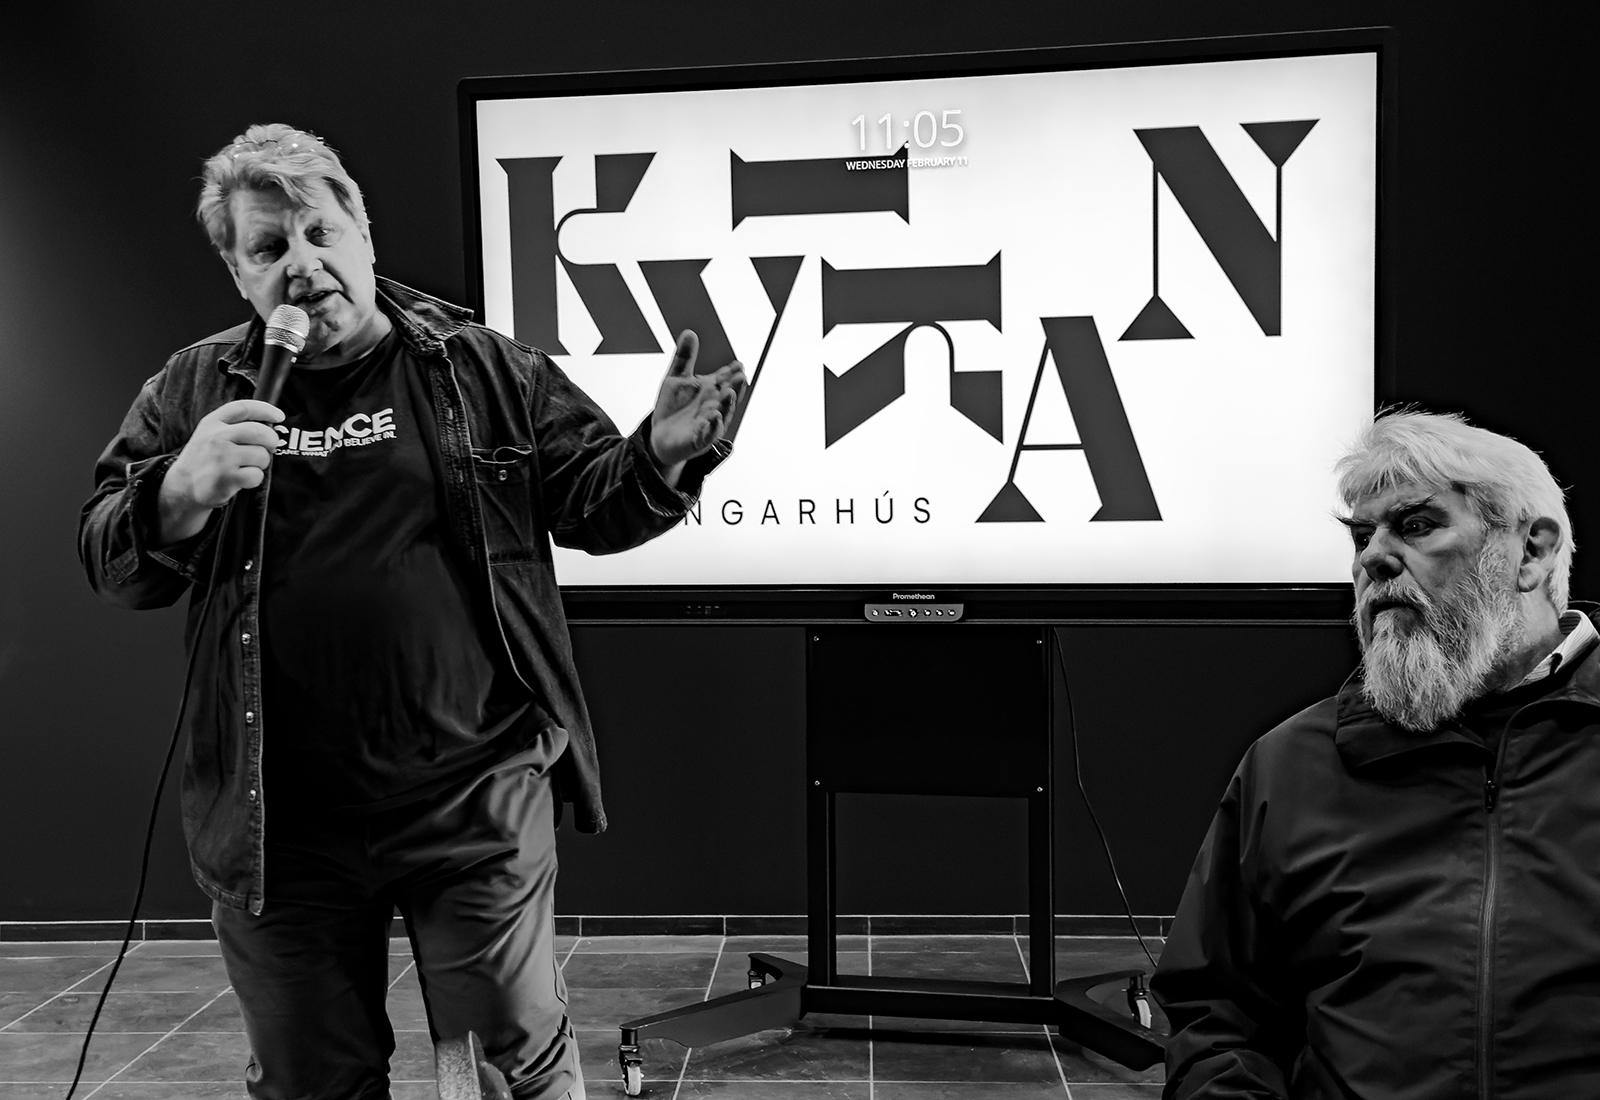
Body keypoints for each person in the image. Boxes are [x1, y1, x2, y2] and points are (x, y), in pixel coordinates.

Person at [78, 123, 746, 1100]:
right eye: (269, 247)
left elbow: (597, 505)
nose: (301, 265)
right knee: (312, 1082)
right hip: (278, 825)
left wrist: (662, 455)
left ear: (363, 231)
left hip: (469, 798)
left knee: (506, 1069)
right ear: (237, 271)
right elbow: (107, 557)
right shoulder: (194, 392)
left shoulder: (483, 370)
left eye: (320, 232)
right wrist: (176, 493)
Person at [1151, 410, 1600, 1099]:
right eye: (1362, 537)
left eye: (1416, 526)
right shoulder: (1291, 764)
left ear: (1531, 553)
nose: (1372, 559)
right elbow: (1216, 1014)